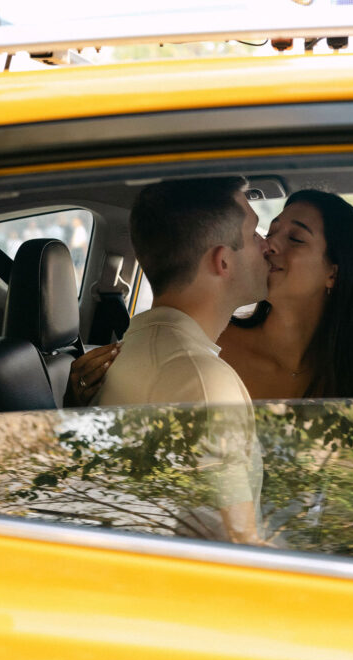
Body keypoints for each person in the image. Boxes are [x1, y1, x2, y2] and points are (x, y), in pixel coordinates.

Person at [69, 189, 353, 403]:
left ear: (334, 272)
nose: (270, 244)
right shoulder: (210, 343)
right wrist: (81, 399)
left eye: (295, 238)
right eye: (271, 230)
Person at [93, 176, 271, 546]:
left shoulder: (136, 346)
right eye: (255, 234)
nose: (267, 245)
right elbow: (241, 546)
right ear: (222, 261)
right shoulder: (204, 381)